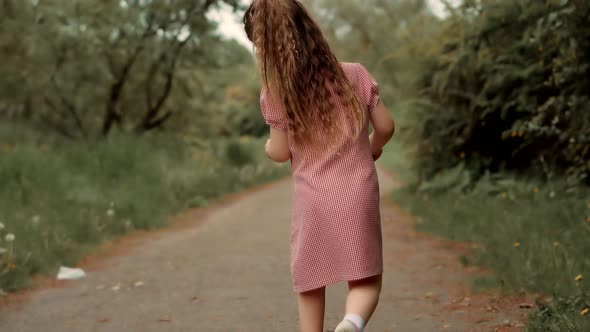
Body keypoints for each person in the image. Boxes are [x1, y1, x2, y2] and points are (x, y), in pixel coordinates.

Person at [243, 1, 395, 331]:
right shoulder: (354, 74)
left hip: (313, 201)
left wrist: (268, 147)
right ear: (309, 29)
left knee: (311, 281)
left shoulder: (275, 93)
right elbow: (385, 127)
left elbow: (281, 152)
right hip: (358, 194)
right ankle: (351, 324)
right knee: (365, 278)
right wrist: (372, 148)